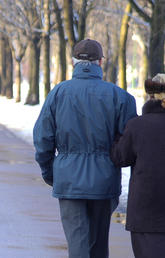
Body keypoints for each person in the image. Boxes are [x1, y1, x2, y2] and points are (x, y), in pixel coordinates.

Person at [33, 39, 137, 258]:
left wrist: (50, 171)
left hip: (69, 179)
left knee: (77, 243)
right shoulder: (119, 96)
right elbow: (129, 142)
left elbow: (43, 138)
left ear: (73, 62)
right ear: (100, 62)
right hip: (104, 180)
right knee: (99, 244)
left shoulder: (58, 93)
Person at [111, 73, 165, 258]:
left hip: (146, 209)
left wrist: (116, 139)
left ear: (150, 96)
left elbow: (120, 158)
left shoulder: (137, 126)